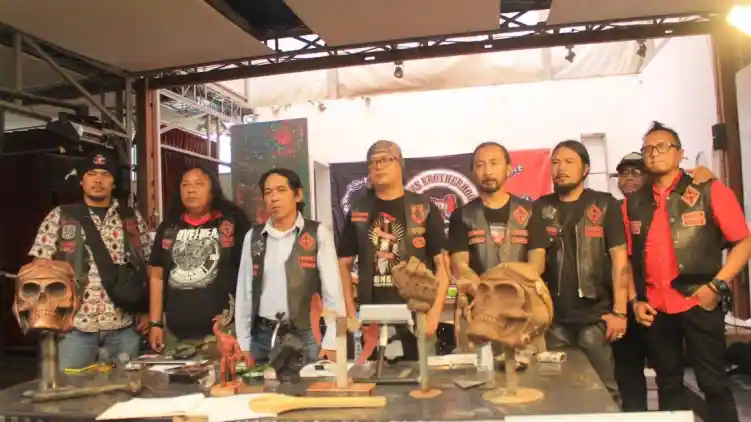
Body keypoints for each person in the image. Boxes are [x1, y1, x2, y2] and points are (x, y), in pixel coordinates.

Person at [626, 121, 751, 422]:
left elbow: (744, 242)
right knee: (668, 384)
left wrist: (717, 286)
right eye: (647, 149)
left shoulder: (709, 190)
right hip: (655, 309)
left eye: (662, 146)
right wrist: (635, 301)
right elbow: (627, 260)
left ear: (680, 153)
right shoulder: (633, 203)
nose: (654, 153)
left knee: (714, 384)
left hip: (699, 301)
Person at [29, 148, 152, 369]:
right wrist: (52, 319)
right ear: (82, 180)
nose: (98, 180)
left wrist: (147, 312)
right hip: (74, 329)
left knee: (125, 388)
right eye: (91, 174)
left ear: (114, 182)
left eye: (105, 174)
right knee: (70, 389)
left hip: (124, 328)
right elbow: (39, 270)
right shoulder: (61, 216)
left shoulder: (131, 218)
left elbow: (149, 267)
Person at [527, 140, 630, 404]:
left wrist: (620, 312)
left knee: (605, 391)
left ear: (585, 169)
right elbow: (536, 259)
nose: (561, 168)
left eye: (569, 162)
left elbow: (620, 260)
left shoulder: (604, 205)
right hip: (555, 320)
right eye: (555, 162)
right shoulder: (540, 208)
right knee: (559, 391)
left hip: (595, 317)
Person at [337, 140, 450, 360]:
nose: (378, 166)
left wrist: (435, 313)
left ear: (400, 164)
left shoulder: (423, 207)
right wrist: (351, 312)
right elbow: (344, 264)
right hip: (371, 318)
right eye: (372, 162)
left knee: (420, 376)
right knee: (374, 376)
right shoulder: (358, 210)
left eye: (385, 160)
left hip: (417, 313)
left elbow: (443, 265)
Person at [236, 168, 346, 365]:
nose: (274, 198)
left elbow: (333, 292)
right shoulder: (253, 237)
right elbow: (245, 292)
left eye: (281, 190)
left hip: (307, 336)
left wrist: (332, 341)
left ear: (297, 194)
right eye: (268, 192)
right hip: (262, 337)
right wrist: (243, 343)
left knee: (310, 384)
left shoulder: (317, 233)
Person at [147, 166, 250, 355]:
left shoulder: (232, 223)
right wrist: (155, 323)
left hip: (222, 331)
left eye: (198, 184)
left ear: (213, 190)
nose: (191, 190)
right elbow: (157, 277)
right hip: (174, 334)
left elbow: (248, 275)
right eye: (185, 185)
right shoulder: (169, 227)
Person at [448, 142, 533, 277]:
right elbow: (460, 266)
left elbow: (537, 264)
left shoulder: (531, 211)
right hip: (479, 289)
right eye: (480, 165)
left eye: (494, 163)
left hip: (522, 288)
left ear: (508, 169)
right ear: (473, 173)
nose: (487, 172)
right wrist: (485, 287)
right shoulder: (462, 215)